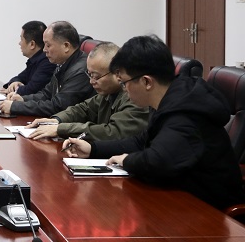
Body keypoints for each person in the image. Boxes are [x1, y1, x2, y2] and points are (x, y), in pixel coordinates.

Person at [62, 35, 245, 210]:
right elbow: (141, 141)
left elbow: (157, 160)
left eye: (124, 83)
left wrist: (127, 160)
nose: (124, 90)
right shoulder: (169, 98)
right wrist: (93, 149)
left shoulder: (185, 114)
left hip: (208, 211)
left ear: (147, 82)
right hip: (178, 198)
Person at [27, 42, 149, 141]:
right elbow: (83, 109)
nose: (91, 81)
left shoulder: (134, 97)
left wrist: (61, 129)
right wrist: (57, 120)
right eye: (89, 75)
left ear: (117, 74)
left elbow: (112, 132)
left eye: (96, 76)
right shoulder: (107, 93)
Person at [0, 21, 93, 117]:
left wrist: (16, 107)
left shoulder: (80, 71)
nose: (44, 50)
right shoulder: (62, 63)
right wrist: (23, 99)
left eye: (48, 45)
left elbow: (58, 106)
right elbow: (46, 94)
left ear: (66, 46)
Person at [0, 20, 57, 96]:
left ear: (32, 44)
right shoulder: (34, 60)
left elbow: (31, 90)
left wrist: (14, 89)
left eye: (21, 39)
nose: (19, 43)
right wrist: (15, 83)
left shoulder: (47, 62)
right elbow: (19, 78)